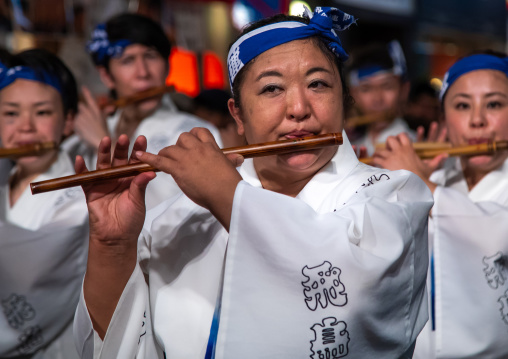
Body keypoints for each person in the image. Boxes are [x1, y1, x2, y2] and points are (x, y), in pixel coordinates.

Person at [73, 7, 433, 358]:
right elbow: (127, 343)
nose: (298, 108)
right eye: (272, 89)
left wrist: (225, 193)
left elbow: (358, 303)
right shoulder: (179, 219)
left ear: (343, 100)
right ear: (238, 115)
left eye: (318, 84)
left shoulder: (394, 195)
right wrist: (113, 245)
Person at [372, 52, 508, 358]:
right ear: (444, 119)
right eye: (462, 106)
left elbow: (496, 234)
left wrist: (420, 183)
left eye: (495, 104)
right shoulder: (438, 176)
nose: (477, 120)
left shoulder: (427, 183)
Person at [63, 13, 222, 209]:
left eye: (151, 56)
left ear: (167, 66)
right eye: (127, 60)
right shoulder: (88, 133)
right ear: (106, 75)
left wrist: (101, 143)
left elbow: (176, 213)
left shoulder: (194, 132)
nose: (143, 72)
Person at [0, 49, 88, 358]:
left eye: (42, 112)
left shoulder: (78, 198)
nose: (25, 127)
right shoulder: (3, 182)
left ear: (68, 121)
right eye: (10, 113)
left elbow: (33, 283)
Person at [347, 41, 414, 155]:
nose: (377, 99)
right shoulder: (350, 150)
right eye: (366, 89)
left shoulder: (416, 145)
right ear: (354, 94)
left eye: (387, 86)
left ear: (404, 90)